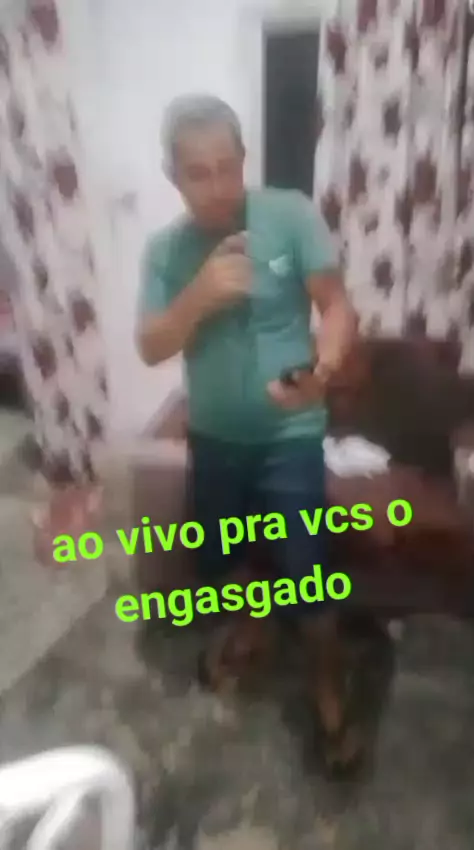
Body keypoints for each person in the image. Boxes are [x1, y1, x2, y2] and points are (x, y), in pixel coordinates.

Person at [136, 94, 359, 772]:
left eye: (227, 168)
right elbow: (151, 346)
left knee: (308, 576)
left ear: (244, 159)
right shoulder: (166, 250)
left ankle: (327, 689)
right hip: (214, 439)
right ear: (172, 176)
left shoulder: (288, 215)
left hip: (291, 433)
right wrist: (199, 295)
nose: (217, 187)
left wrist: (325, 367)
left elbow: (336, 306)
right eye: (198, 173)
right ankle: (254, 628)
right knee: (223, 560)